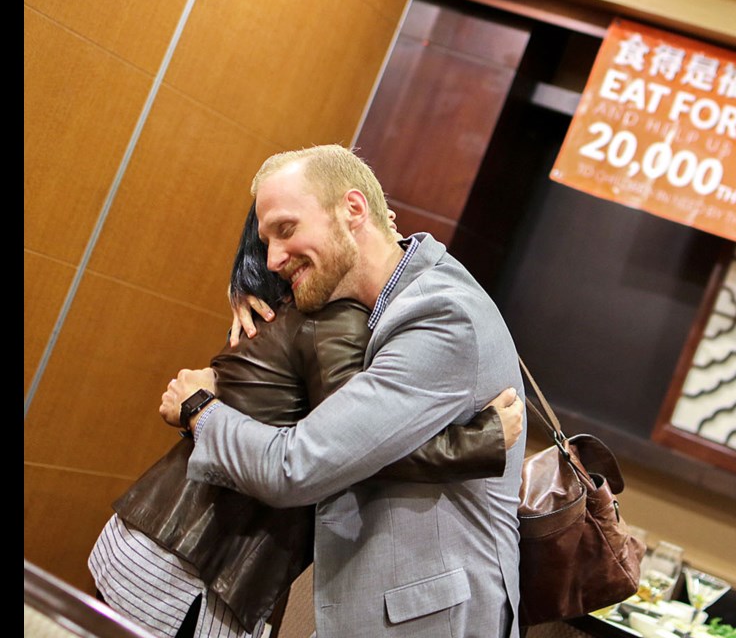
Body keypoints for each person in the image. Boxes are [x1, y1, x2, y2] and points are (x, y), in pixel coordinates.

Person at [89, 203, 523, 638]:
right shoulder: (333, 318)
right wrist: (479, 442)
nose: (389, 219)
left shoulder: (283, 305)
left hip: (166, 544)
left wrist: (198, 405)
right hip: (191, 573)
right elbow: (353, 450)